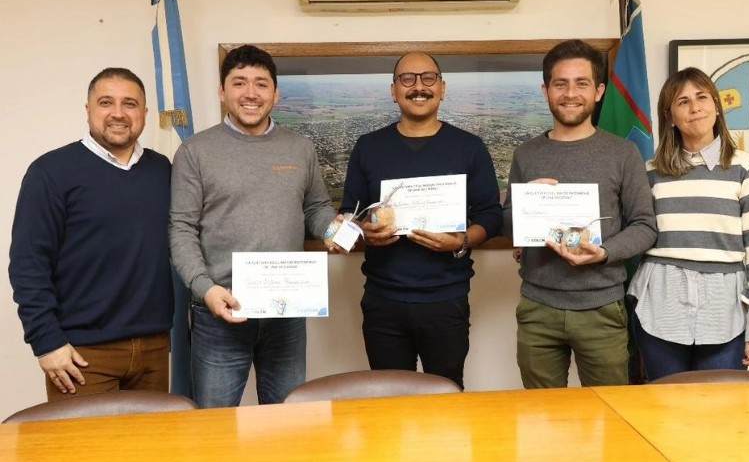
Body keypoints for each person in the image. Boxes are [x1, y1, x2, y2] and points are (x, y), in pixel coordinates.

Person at [169, 44, 337, 408]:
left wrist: (333, 231)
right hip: (221, 311)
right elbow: (181, 228)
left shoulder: (300, 148)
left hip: (285, 312)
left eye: (261, 84)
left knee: (286, 425)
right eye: (239, 83)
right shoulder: (195, 152)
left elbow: (316, 207)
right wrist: (205, 290)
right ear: (222, 92)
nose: (250, 93)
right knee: (215, 429)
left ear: (275, 94)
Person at [9, 68, 174, 401]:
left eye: (130, 104)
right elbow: (28, 264)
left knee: (151, 452)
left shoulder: (164, 170)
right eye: (105, 102)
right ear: (88, 110)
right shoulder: (50, 172)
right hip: (83, 355)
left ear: (143, 114)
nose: (118, 113)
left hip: (154, 349)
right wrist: (46, 341)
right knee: (84, 453)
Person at [340, 51, 502, 389]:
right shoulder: (368, 147)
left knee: (445, 397)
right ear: (394, 90)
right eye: (407, 79)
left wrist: (460, 241)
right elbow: (349, 216)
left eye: (428, 78)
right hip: (383, 300)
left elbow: (490, 215)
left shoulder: (469, 147)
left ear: (442, 88)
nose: (418, 87)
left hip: (445, 300)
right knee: (388, 401)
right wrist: (363, 234)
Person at [502, 39, 657, 388]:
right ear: (546, 90)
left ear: (599, 91)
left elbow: (645, 226)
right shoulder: (526, 154)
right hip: (537, 307)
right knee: (541, 417)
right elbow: (508, 222)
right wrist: (527, 208)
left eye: (581, 83)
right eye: (560, 83)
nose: (570, 93)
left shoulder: (623, 153)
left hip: (602, 308)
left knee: (611, 415)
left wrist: (603, 253)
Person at [628, 67, 749, 381]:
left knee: (721, 411)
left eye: (702, 97)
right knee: (663, 407)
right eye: (683, 101)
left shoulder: (746, 167)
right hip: (660, 303)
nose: (695, 107)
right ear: (670, 115)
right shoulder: (649, 171)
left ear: (715, 106)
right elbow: (627, 228)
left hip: (725, 309)